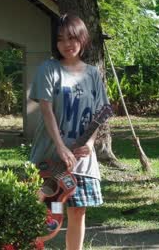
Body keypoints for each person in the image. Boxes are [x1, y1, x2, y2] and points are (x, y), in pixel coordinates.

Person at [29, 14, 110, 250]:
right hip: (50, 156)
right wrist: (61, 147)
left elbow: (99, 115)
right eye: (61, 39)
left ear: (82, 40)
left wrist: (91, 143)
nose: (67, 44)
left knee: (78, 210)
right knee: (46, 210)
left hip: (81, 161)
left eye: (73, 38)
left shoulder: (93, 74)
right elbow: (46, 111)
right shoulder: (49, 69)